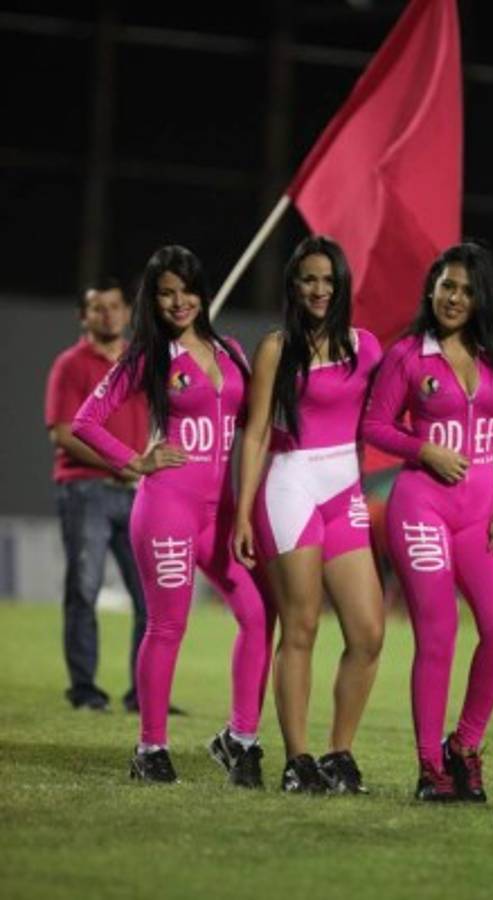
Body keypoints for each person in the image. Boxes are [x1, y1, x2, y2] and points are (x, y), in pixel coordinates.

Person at [72, 245, 274, 786]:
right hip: (167, 507)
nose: (178, 301)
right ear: (153, 301)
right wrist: (134, 461)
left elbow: (255, 425)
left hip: (221, 513)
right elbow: (85, 421)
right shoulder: (146, 355)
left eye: (186, 290)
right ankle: (149, 749)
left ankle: (241, 740)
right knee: (168, 625)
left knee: (256, 616)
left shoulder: (231, 351)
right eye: (166, 293)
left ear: (202, 292)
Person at [362, 240, 493, 803]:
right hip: (422, 507)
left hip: (483, 513)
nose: (455, 297)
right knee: (438, 634)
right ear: (431, 290)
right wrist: (424, 451)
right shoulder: (408, 353)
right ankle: (430, 767)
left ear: (481, 297)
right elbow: (375, 426)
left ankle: (465, 746)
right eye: (447, 286)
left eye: (465, 289)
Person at [234, 235, 385, 794]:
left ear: (342, 285)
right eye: (308, 279)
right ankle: (298, 761)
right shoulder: (276, 347)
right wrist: (244, 513)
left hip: (343, 491)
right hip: (290, 487)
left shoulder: (366, 347)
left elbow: (387, 410)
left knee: (368, 632)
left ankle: (339, 755)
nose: (320, 289)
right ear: (293, 286)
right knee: (300, 627)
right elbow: (253, 435)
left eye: (329, 279)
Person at [44, 278, 149, 713]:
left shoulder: (142, 363)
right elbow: (62, 434)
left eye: (114, 306)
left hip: (138, 492)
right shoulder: (71, 365)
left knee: (150, 598)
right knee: (83, 591)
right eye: (97, 308)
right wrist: (121, 461)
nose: (107, 315)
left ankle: (144, 694)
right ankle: (85, 690)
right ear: (82, 316)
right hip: (87, 489)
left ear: (127, 312)